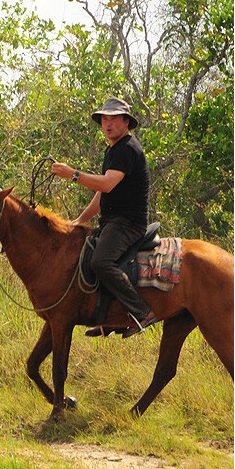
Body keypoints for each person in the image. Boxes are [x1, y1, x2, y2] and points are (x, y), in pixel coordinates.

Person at [50, 96, 156, 338]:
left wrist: (72, 174)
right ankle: (111, 318)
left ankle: (142, 311)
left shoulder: (127, 148)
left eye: (114, 119)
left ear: (126, 122)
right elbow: (101, 196)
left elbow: (107, 185)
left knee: (101, 262)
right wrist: (79, 220)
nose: (107, 124)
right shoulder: (113, 149)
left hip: (128, 224)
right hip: (112, 222)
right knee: (86, 259)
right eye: (104, 120)